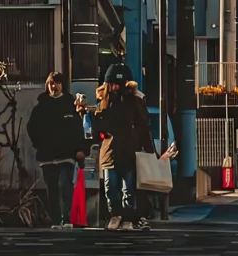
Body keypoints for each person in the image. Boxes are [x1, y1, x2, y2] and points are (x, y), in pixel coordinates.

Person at [84, 63, 154, 230]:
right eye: (112, 83)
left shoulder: (134, 100)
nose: (115, 87)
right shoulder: (104, 101)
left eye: (118, 84)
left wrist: (149, 149)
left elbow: (143, 124)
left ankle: (127, 218)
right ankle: (115, 215)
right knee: (111, 187)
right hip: (110, 150)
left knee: (128, 189)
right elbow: (98, 124)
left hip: (128, 150)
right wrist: (86, 113)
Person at [26, 71, 87, 229]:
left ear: (63, 85)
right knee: (51, 188)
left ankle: (66, 218)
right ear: (48, 85)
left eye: (58, 83)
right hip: (47, 154)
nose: (54, 86)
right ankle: (55, 220)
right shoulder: (41, 106)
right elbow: (31, 127)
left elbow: (77, 128)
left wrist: (80, 149)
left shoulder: (69, 103)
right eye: (52, 83)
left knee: (65, 184)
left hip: (66, 153)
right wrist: (38, 143)